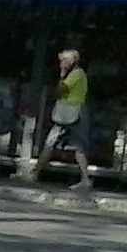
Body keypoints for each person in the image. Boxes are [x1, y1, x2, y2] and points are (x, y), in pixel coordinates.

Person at [42, 46, 93, 190]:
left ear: (72, 61)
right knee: (55, 143)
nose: (61, 63)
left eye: (64, 60)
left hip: (73, 113)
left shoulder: (75, 75)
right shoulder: (78, 74)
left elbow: (60, 90)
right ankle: (85, 178)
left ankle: (85, 178)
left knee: (70, 145)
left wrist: (62, 74)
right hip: (69, 113)